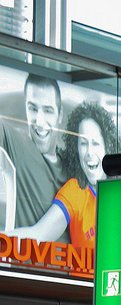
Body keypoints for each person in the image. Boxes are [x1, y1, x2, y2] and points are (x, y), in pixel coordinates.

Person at [12, 101, 121, 248]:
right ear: (75, 149)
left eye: (95, 143)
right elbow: (38, 234)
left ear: (107, 146)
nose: (89, 152)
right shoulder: (75, 191)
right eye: (83, 143)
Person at [0, 75, 64, 233]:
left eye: (48, 111)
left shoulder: (73, 162)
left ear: (60, 115)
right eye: (33, 108)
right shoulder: (14, 141)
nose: (40, 121)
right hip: (24, 254)